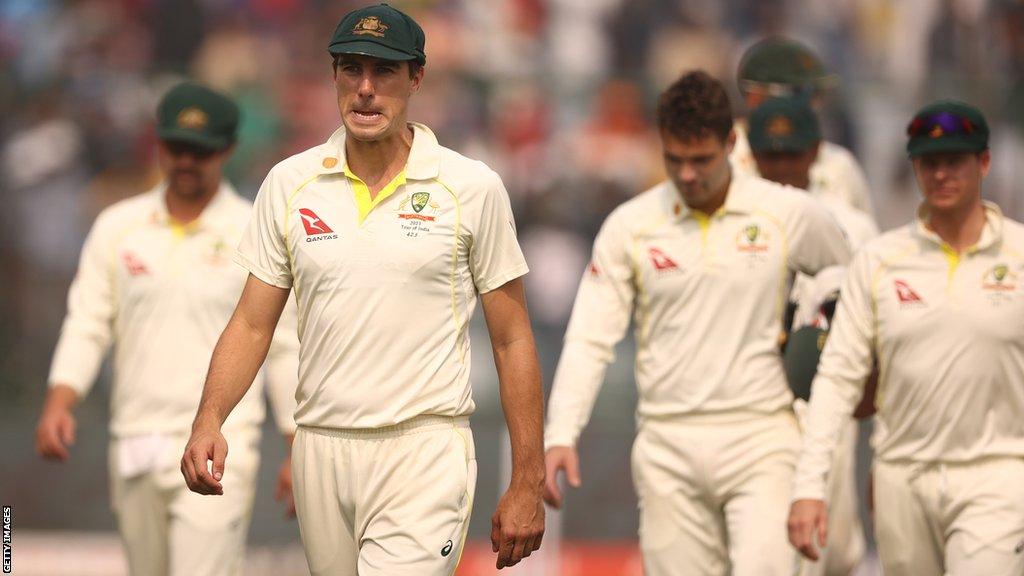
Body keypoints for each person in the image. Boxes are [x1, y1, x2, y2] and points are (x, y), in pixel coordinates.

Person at [179, 4, 546, 575]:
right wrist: (209, 420)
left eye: (385, 71)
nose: (366, 89)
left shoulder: (471, 188)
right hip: (320, 446)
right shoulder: (288, 183)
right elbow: (253, 323)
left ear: (417, 77)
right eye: (351, 69)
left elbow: (512, 339)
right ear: (333, 76)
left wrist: (527, 478)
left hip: (424, 449)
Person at [543, 70, 852, 576]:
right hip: (667, 440)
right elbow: (590, 336)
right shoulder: (632, 226)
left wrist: (823, 337)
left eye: (701, 160)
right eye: (674, 159)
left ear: (732, 142)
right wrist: (561, 432)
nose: (687, 175)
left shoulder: (788, 213)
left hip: (763, 435)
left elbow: (855, 287)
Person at [34, 81, 300, 576]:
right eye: (176, 147)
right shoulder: (118, 226)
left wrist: (293, 446)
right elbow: (88, 321)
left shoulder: (254, 230)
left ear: (228, 149)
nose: (186, 161)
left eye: (200, 151)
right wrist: (60, 400)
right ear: (158, 145)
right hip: (133, 440)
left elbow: (281, 345)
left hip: (222, 443)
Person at [788, 100, 1024, 576]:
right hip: (901, 479)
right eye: (929, 163)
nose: (941, 174)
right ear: (914, 167)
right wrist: (808, 486)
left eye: (955, 161)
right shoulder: (879, 262)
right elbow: (836, 378)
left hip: (998, 476)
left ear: (984, 163)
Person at [747, 96, 877, 576]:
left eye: (792, 154)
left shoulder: (854, 226)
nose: (781, 166)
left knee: (835, 553)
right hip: (755, 409)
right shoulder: (732, 221)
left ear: (815, 152)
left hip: (826, 403)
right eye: (770, 154)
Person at [732, 36, 875, 216]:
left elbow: (863, 235)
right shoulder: (724, 160)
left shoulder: (839, 165)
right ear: (755, 96)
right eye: (801, 93)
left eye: (819, 94)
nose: (815, 104)